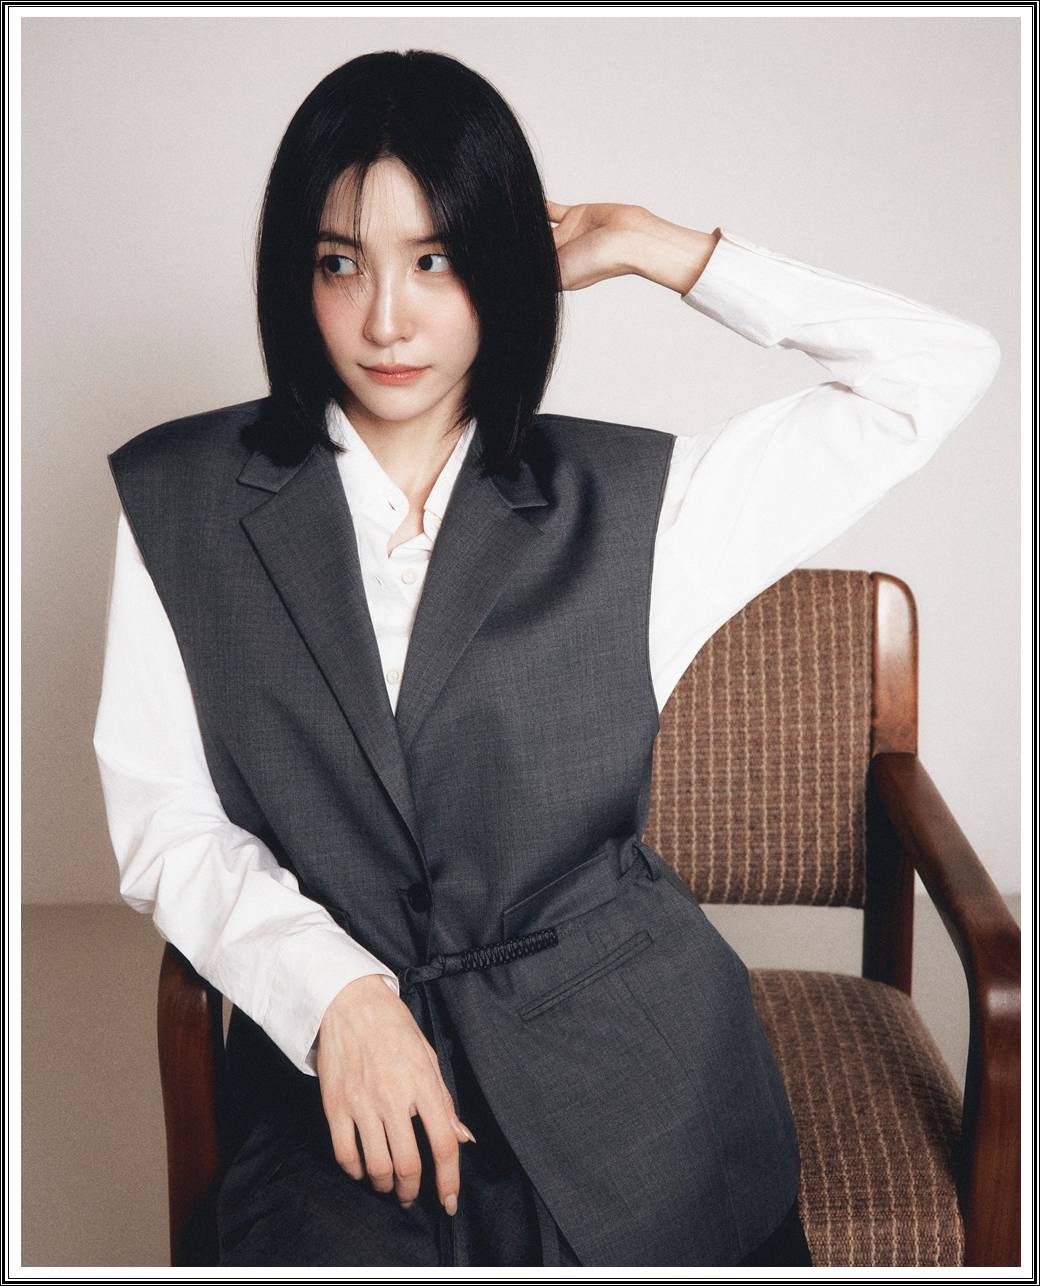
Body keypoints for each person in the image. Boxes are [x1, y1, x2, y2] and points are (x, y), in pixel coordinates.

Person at [92, 49, 1000, 1268]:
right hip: (347, 1078)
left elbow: (938, 368)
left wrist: (657, 247)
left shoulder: (641, 504)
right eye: (339, 261)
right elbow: (168, 820)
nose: (385, 318)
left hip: (635, 1062)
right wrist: (334, 996)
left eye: (436, 259)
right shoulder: (180, 499)